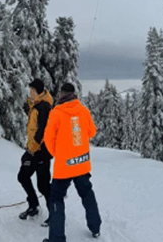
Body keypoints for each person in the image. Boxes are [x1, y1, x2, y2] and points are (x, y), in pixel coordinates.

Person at [42, 83, 101, 242]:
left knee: (56, 199)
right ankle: (95, 227)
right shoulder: (83, 110)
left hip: (64, 166)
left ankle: (57, 238)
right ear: (74, 94)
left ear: (61, 94)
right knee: (87, 194)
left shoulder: (56, 113)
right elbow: (92, 132)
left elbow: (48, 138)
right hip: (82, 163)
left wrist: (58, 154)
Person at [18, 78, 53, 226]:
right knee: (23, 176)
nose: (29, 92)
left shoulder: (43, 107)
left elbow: (42, 131)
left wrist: (32, 149)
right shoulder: (36, 105)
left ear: (37, 91)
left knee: (43, 185)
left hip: (42, 151)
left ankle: (54, 214)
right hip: (34, 149)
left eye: (31, 90)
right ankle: (33, 206)